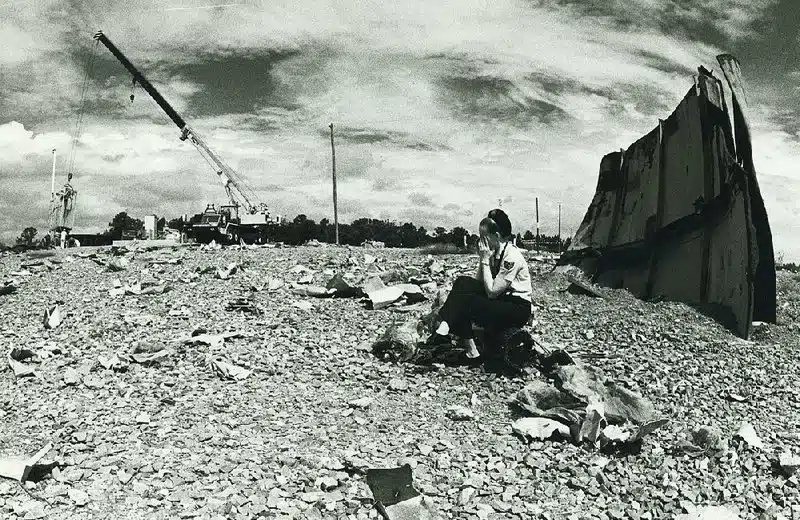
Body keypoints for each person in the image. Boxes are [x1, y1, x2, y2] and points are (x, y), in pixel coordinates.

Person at [434, 209, 533, 359]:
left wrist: (486, 260)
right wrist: (483, 259)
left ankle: (469, 348)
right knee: (462, 283)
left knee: (465, 301)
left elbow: (492, 291)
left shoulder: (511, 257)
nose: (481, 242)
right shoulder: (494, 251)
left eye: (484, 238)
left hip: (517, 307)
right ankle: (448, 323)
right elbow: (478, 283)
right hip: (502, 298)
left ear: (497, 236)